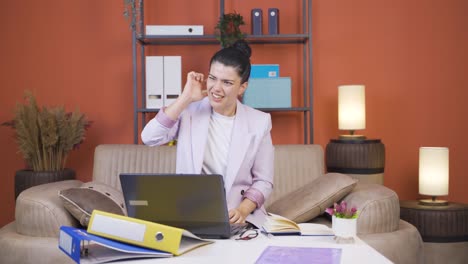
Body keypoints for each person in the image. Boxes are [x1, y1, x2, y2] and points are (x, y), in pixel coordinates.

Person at [141, 40, 274, 228]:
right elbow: (149, 138)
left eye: (227, 82)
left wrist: (242, 210)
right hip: (189, 214)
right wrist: (185, 98)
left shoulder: (259, 122)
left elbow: (263, 180)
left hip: (237, 218)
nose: (216, 88)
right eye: (212, 78)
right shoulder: (189, 112)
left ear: (242, 87)